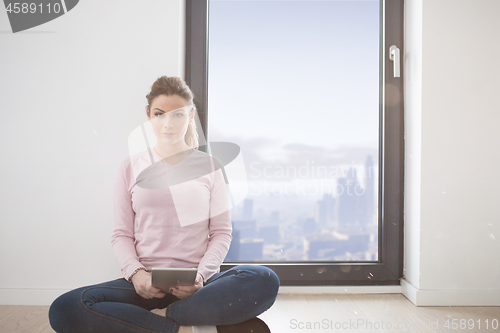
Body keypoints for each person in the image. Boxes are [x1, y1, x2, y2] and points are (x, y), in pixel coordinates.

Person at [48, 76, 280, 333]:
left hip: (199, 287)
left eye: (178, 115)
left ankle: (163, 319)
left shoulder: (211, 167)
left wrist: (200, 277)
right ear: (148, 115)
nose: (168, 123)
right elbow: (121, 234)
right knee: (65, 308)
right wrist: (137, 275)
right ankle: (186, 328)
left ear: (191, 115)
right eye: (160, 114)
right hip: (145, 283)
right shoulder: (130, 166)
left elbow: (221, 233)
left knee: (264, 278)